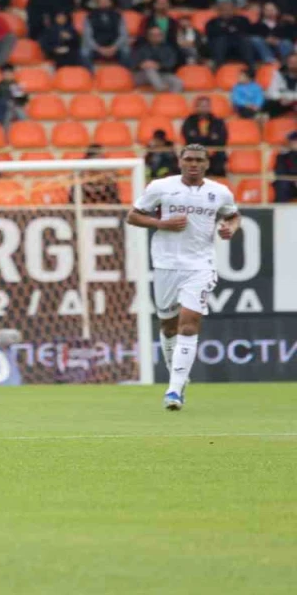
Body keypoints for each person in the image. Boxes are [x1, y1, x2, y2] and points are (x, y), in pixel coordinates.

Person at [127, 145, 240, 411]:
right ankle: (176, 376)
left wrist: (230, 229)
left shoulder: (220, 192)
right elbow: (132, 216)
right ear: (180, 161)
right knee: (168, 326)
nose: (193, 164)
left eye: (199, 160)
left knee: (188, 325)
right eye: (188, 159)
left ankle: (174, 391)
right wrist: (161, 224)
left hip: (200, 266)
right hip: (166, 265)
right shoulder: (161, 187)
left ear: (206, 164)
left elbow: (233, 216)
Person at [181, 97, 228, 176]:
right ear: (196, 107)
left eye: (206, 106)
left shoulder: (218, 121)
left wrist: (199, 138)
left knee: (219, 160)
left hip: (214, 152)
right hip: (195, 152)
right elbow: (189, 139)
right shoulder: (189, 121)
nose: (204, 108)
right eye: (201, 106)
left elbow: (222, 140)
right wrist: (210, 138)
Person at [130, 26, 183, 92]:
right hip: (142, 75)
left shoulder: (168, 49)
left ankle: (171, 98)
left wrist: (158, 65)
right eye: (153, 35)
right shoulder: (140, 48)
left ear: (162, 36)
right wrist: (141, 65)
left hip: (161, 73)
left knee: (177, 82)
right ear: (148, 36)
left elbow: (171, 63)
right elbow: (132, 62)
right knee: (150, 69)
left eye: (158, 35)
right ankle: (161, 88)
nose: (156, 37)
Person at [274, 131, 297, 203]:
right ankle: (281, 206)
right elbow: (280, 172)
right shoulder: (283, 156)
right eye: (293, 142)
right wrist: (293, 179)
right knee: (282, 183)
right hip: (290, 183)